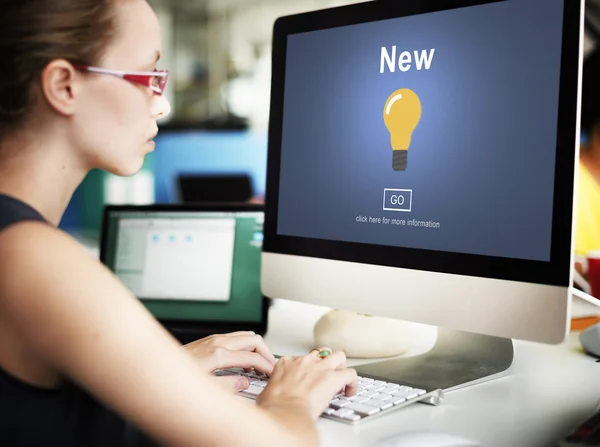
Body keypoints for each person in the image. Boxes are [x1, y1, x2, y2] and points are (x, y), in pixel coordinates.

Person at [0, 1, 357, 446]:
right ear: (64, 85)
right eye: (149, 77)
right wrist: (291, 398)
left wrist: (159, 370)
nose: (163, 103)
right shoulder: (35, 261)